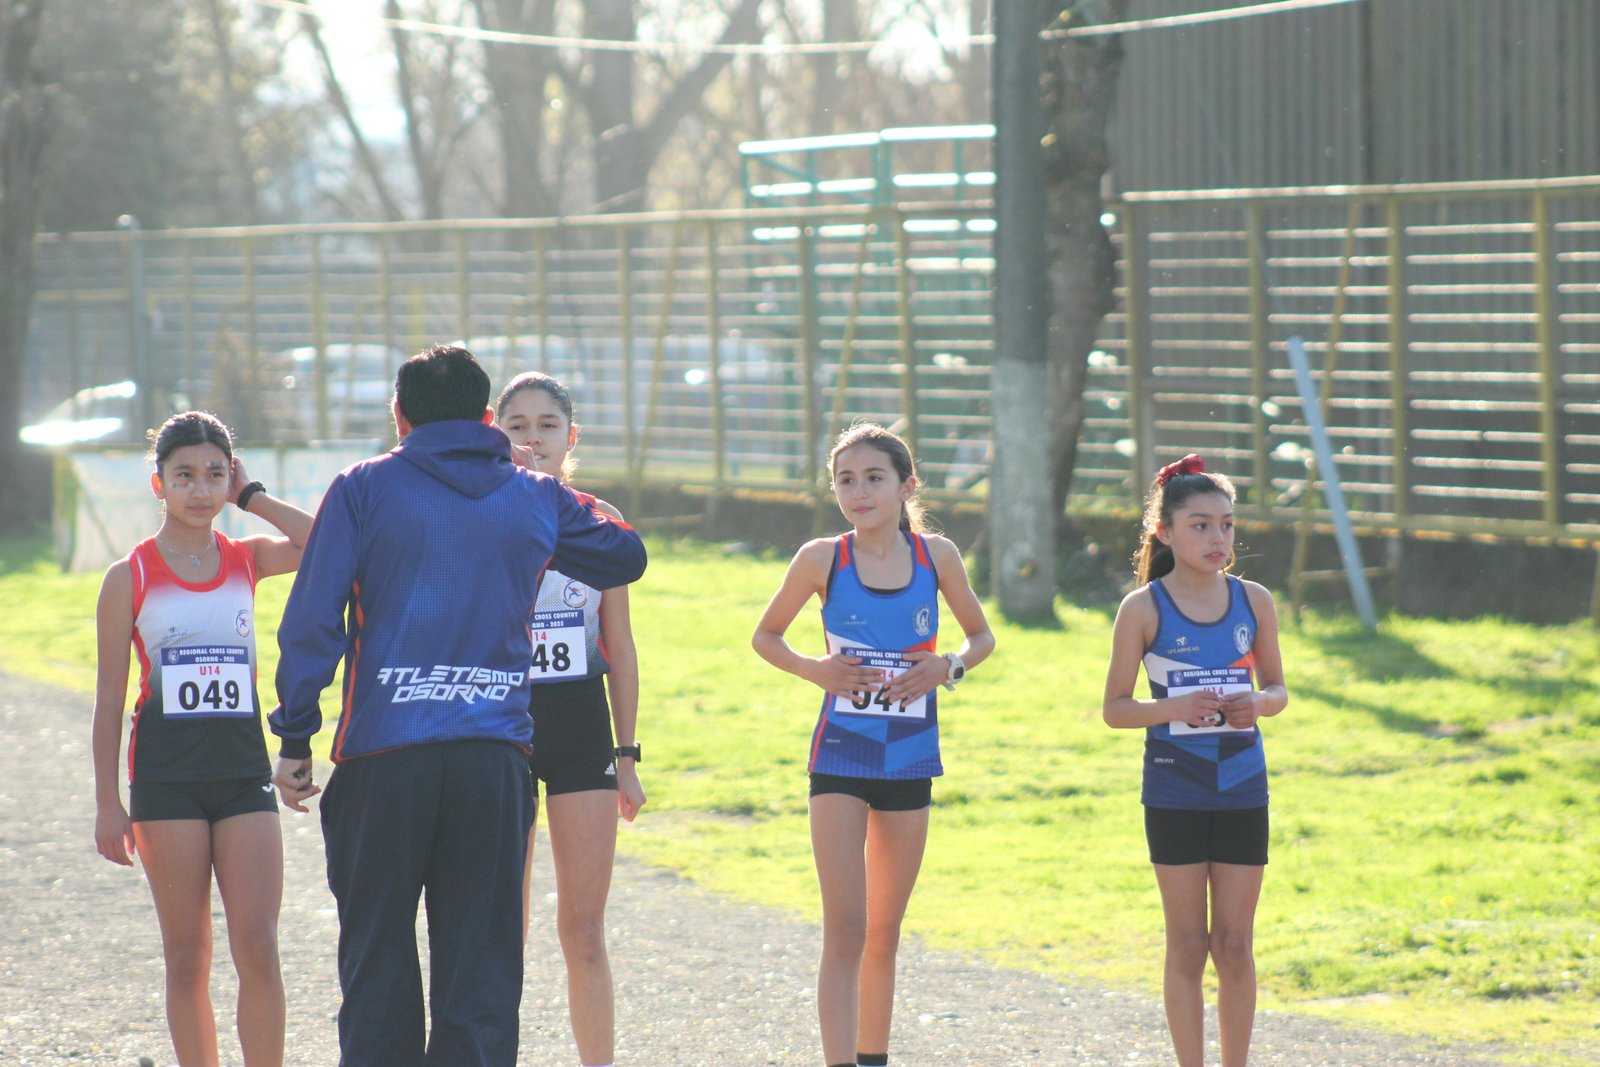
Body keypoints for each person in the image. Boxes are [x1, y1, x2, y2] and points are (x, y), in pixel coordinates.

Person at [268, 345, 648, 1067]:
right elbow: (624, 556)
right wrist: (544, 497)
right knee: (480, 971)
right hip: (492, 756)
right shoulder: (533, 495)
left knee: (377, 960)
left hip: (383, 753)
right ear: (486, 418)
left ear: (399, 415)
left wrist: (294, 733)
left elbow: (313, 619)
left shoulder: (362, 486)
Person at [751, 422, 995, 1067]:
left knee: (884, 934)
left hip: (910, 754)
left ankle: (874, 1058)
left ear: (906, 485)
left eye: (873, 478)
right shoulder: (821, 558)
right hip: (840, 755)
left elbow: (980, 637)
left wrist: (949, 666)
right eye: (845, 480)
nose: (858, 492)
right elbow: (766, 637)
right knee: (847, 930)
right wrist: (816, 669)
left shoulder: (936, 557)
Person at [91, 411, 313, 1067]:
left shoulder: (246, 558)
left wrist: (255, 498)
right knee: (188, 954)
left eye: (215, 474)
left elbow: (328, 542)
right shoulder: (127, 576)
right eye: (184, 474)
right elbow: (108, 700)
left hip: (243, 779)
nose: (200, 489)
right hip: (166, 784)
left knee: (260, 946)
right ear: (157, 483)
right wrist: (109, 802)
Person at [1100, 453, 1289, 1067]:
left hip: (1242, 786)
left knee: (1234, 944)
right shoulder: (1143, 609)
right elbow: (1116, 708)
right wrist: (1172, 706)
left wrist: (1254, 703)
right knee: (1186, 945)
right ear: (1165, 532)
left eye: (1228, 525)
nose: (1218, 538)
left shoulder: (1254, 601)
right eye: (1202, 524)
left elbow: (1279, 691)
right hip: (1174, 790)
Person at [496, 371, 643, 1067]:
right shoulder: (481, 510)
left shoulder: (597, 516)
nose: (531, 439)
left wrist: (628, 754)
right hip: (501, 729)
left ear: (570, 436)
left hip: (581, 725)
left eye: (546, 425)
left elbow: (620, 643)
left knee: (584, 927)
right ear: (494, 433)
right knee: (504, 926)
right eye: (517, 425)